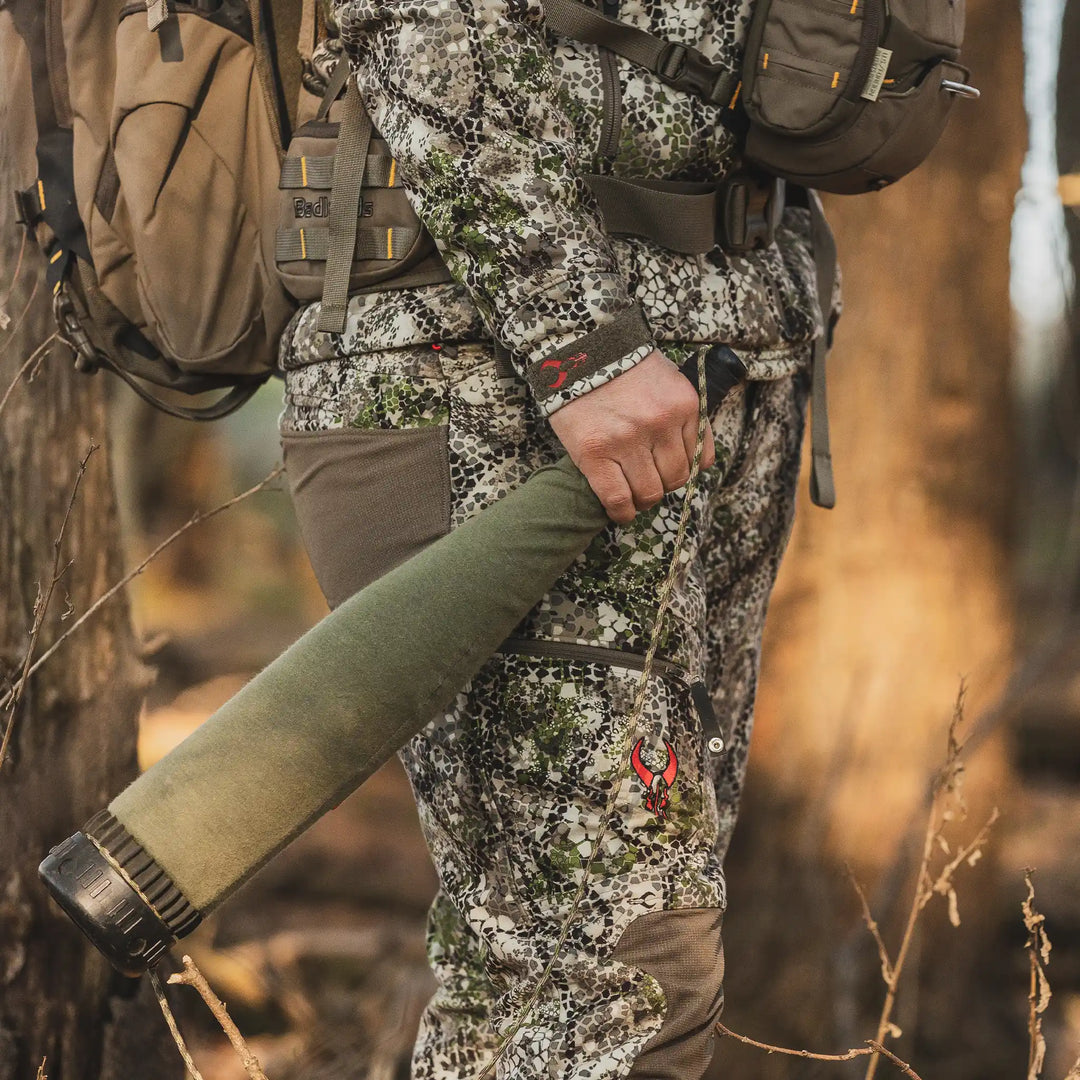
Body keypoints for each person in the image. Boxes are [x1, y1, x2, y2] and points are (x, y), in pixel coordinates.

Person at [279, 2, 829, 1077]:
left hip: (711, 359)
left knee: (544, 973)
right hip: (500, 377)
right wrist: (577, 339)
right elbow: (418, 27)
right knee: (620, 969)